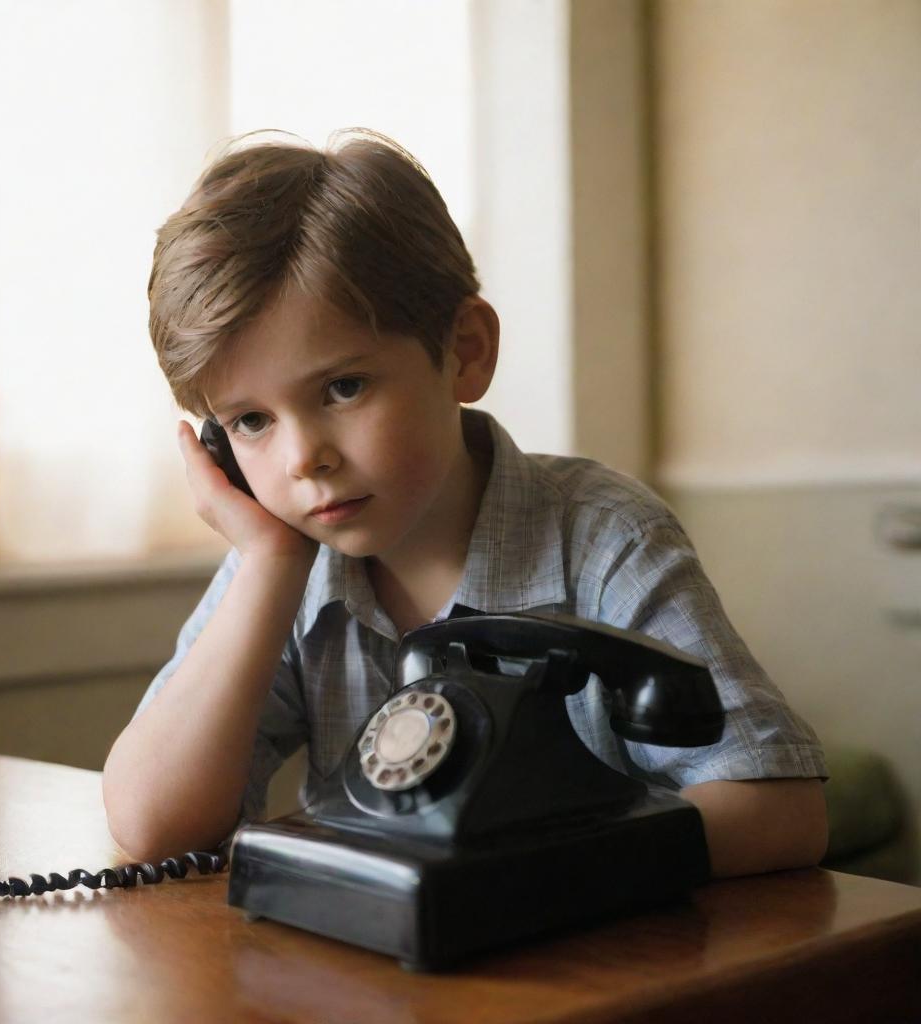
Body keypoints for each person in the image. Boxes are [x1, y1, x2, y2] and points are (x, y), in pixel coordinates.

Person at [102, 130, 828, 877]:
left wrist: (517, 873)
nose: (302, 459)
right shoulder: (285, 562)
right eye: (251, 421)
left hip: (590, 962)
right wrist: (266, 563)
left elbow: (781, 809)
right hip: (371, 971)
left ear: (467, 351)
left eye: (343, 387)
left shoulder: (606, 538)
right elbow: (151, 825)